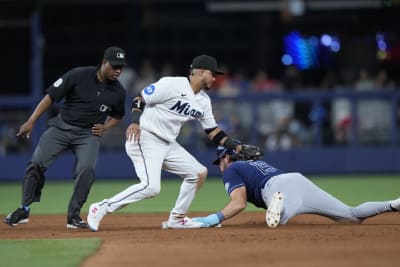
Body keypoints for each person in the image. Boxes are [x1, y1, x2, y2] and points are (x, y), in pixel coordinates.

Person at [87, 54, 259, 231]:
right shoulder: (172, 84)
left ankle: (177, 218)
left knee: (198, 173)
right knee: (151, 187)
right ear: (200, 72)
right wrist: (135, 122)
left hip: (167, 143)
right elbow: (140, 98)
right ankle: (101, 207)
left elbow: (212, 132)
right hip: (145, 137)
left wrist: (236, 146)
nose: (215, 78)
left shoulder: (204, 101)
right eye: (212, 74)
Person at [3, 46, 127, 229]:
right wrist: (31, 121)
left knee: (87, 169)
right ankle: (24, 209)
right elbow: (50, 97)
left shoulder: (118, 91)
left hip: (88, 134)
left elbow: (118, 115)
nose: (118, 71)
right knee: (36, 163)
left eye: (121, 67)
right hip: (61, 127)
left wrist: (106, 127)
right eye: (114, 66)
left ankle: (74, 216)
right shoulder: (78, 75)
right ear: (104, 63)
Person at [192, 145, 400, 228]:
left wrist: (213, 219)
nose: (219, 166)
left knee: (276, 222)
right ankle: (393, 204)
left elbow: (239, 203)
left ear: (226, 157)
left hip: (276, 188)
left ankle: (278, 208)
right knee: (351, 216)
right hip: (295, 180)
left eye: (219, 161)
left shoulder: (231, 168)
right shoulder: (253, 163)